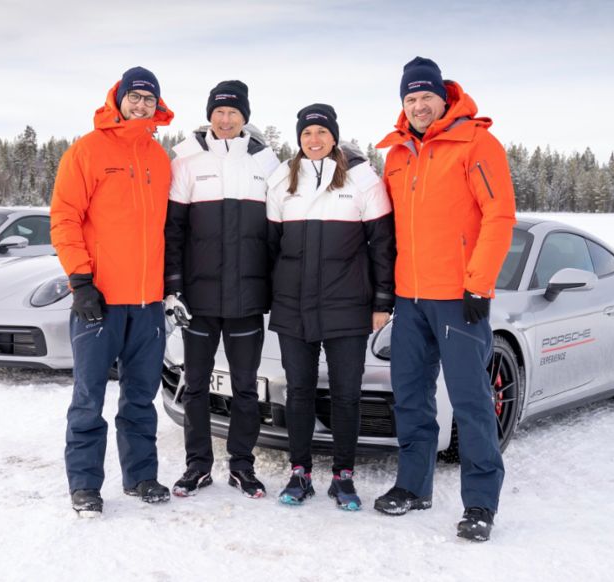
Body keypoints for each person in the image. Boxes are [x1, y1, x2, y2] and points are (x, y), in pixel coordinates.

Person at [373, 56, 516, 541]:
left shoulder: (477, 143)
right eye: (409, 99)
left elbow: (499, 216)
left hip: (458, 298)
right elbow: (388, 228)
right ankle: (414, 487)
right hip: (410, 299)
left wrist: (478, 284)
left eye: (424, 97)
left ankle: (480, 504)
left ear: (444, 96)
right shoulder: (395, 155)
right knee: (410, 398)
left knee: (471, 401)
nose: (417, 106)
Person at [50, 66, 174, 518]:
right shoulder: (88, 150)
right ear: (118, 98)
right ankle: (85, 486)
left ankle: (141, 476)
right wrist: (80, 281)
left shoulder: (160, 158)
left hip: (148, 304)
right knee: (89, 399)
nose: (140, 105)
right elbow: (64, 217)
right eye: (134, 97)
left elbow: (166, 229)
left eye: (148, 99)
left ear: (156, 106)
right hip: (99, 301)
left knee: (141, 398)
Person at [265, 104, 395, 511]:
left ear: (334, 136)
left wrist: (382, 301)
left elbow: (383, 246)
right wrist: (271, 297)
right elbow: (270, 247)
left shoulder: (362, 179)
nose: (314, 140)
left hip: (348, 305)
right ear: (299, 139)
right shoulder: (283, 180)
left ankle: (343, 476)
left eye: (321, 132)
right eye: (307, 134)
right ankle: (299, 472)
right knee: (298, 391)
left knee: (346, 394)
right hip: (293, 305)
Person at [164, 80, 280, 499]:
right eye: (219, 112)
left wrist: (274, 289)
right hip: (197, 300)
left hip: (248, 299)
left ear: (245, 117)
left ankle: (242, 466)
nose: (226, 119)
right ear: (209, 115)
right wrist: (173, 287)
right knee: (194, 385)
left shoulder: (266, 163)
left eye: (233, 112)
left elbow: (276, 234)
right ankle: (198, 466)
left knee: (246, 387)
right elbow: (173, 230)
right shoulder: (187, 161)